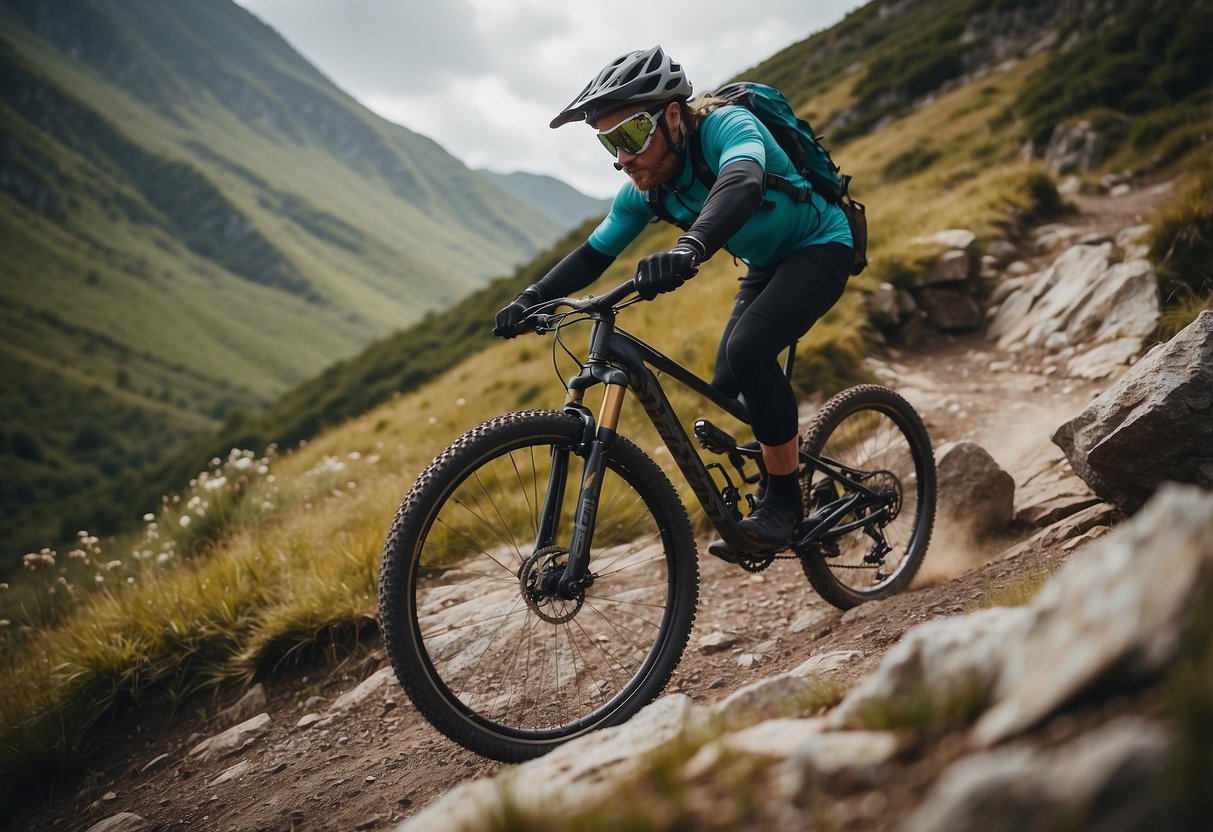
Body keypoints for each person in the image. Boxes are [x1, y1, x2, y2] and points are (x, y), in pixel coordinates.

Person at [493, 45, 853, 555]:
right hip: (766, 264)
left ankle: (784, 501)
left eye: (631, 136)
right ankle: (799, 465)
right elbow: (594, 253)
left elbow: (743, 181)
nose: (621, 159)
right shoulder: (649, 188)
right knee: (727, 386)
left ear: (674, 116)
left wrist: (690, 246)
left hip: (822, 244)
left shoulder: (727, 128)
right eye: (608, 144)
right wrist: (531, 297)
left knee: (749, 349)